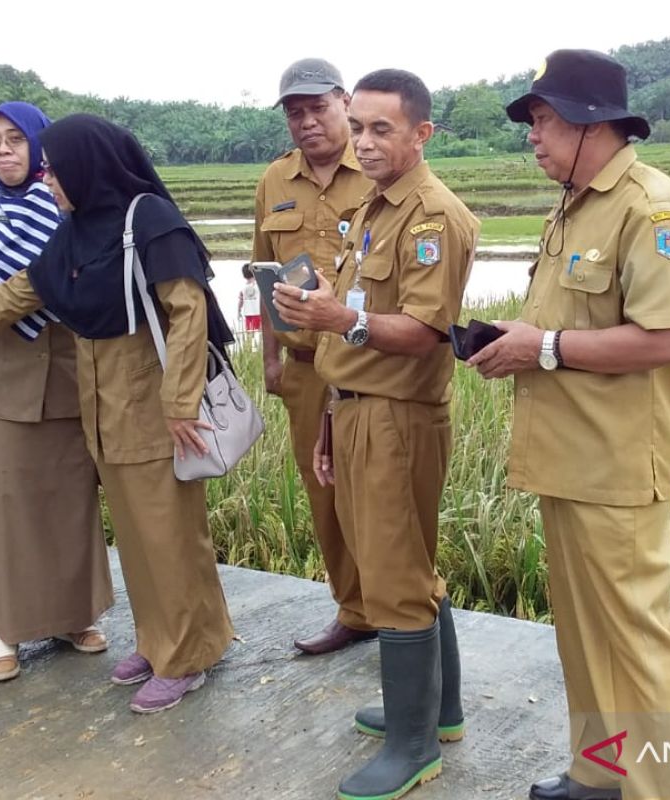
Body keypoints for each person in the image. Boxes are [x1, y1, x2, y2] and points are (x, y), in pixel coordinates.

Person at [0, 114, 234, 713]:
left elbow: (187, 312)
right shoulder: (78, 228)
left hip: (152, 400)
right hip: (101, 403)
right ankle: (161, 641)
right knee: (137, 536)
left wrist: (180, 402)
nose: (47, 178)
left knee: (170, 536)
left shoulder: (150, 220)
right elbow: (20, 291)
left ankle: (188, 657)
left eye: (54, 168)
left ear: (88, 165)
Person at [468, 50, 670, 800]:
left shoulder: (652, 208)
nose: (533, 137)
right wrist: (519, 334)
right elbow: (572, 322)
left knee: (634, 641)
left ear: (589, 121)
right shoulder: (576, 202)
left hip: (616, 462)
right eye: (534, 123)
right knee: (583, 635)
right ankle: (602, 773)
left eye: (543, 120)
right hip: (567, 456)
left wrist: (540, 347)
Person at [275, 69, 479, 800]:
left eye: (380, 128)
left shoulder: (433, 218)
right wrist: (331, 410)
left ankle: (412, 744)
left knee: (395, 577)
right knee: (405, 565)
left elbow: (425, 331)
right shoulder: (374, 210)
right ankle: (437, 711)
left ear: (421, 134)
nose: (363, 141)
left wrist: (342, 321)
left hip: (399, 417)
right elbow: (353, 319)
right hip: (357, 406)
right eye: (356, 125)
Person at [0, 102, 114, 682]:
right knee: (5, 513)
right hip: (0, 391)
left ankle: (76, 617)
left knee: (71, 508)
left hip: (70, 383)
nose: (5, 150)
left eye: (17, 139)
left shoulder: (71, 206)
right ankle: (5, 632)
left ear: (40, 145)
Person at [254, 57, 375, 656]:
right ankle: (354, 611)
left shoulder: (378, 169)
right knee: (324, 495)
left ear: (344, 102)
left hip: (368, 364)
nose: (306, 122)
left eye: (317, 108)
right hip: (304, 370)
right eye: (295, 113)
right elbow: (263, 275)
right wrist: (270, 359)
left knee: (377, 493)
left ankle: (399, 608)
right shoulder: (274, 181)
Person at [237, 263, 261, 332]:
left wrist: (238, 311)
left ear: (244, 275)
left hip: (247, 314)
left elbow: (240, 301)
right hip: (258, 313)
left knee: (250, 334)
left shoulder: (242, 288)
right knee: (259, 333)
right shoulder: (259, 285)